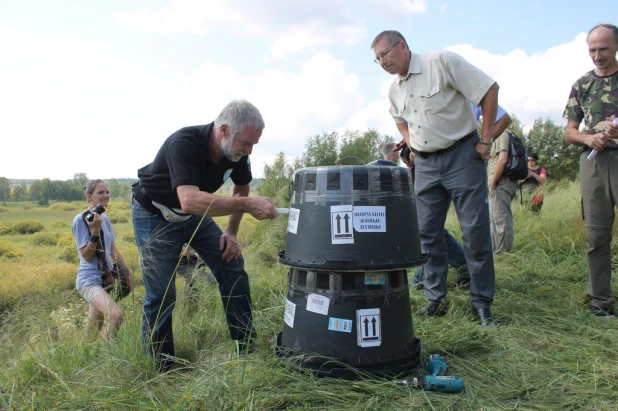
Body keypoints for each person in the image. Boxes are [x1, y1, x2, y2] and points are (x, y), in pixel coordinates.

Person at [132, 100, 279, 370]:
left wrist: (232, 232)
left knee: (232, 264)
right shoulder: (184, 143)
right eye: (246, 143)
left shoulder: (238, 155)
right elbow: (189, 200)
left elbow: (241, 189)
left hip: (193, 217)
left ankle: (245, 348)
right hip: (155, 215)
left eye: (253, 145)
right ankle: (161, 367)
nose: (249, 151)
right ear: (224, 130)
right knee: (162, 292)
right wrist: (247, 206)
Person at [372, 30, 502, 326]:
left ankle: (481, 303)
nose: (382, 62)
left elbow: (489, 89)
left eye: (385, 54)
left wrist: (485, 140)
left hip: (462, 155)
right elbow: (398, 118)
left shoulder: (441, 62)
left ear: (402, 46)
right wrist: (411, 141)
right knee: (427, 234)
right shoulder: (393, 89)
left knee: (475, 231)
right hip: (426, 165)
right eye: (377, 59)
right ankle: (435, 300)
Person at [563, 23, 618, 318]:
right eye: (592, 50)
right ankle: (601, 302)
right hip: (593, 163)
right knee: (596, 235)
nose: (597, 55)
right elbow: (569, 131)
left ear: (616, 47)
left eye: (603, 49)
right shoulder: (582, 84)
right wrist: (589, 137)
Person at [399, 146, 471, 289]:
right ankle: (463, 266)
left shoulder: (424, 153)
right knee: (431, 230)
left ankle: (422, 278)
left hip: (436, 177)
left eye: (408, 164)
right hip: (437, 174)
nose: (407, 166)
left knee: (427, 230)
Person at [72, 179, 132, 338]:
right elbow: (86, 255)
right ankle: (105, 354)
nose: (106, 195)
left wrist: (125, 269)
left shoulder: (105, 219)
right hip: (89, 281)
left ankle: (87, 356)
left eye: (107, 192)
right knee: (116, 315)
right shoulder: (80, 220)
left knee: (92, 330)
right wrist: (95, 229)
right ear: (90, 196)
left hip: (105, 279)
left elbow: (112, 249)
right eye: (101, 192)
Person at [474, 103, 516, 254]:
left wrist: (492, 182)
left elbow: (502, 159)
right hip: (502, 182)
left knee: (500, 219)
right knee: (498, 218)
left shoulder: (501, 134)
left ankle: (502, 252)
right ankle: (500, 250)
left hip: (500, 182)